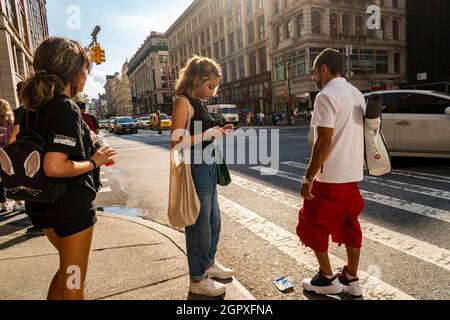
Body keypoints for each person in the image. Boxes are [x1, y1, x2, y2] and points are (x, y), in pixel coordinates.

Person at [19, 37, 117, 300]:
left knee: (65, 271)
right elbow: (55, 165)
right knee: (74, 282)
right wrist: (95, 161)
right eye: (86, 70)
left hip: (41, 203)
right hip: (69, 206)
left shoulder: (33, 107)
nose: (86, 76)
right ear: (74, 73)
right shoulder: (65, 107)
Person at [297, 48, 366, 297]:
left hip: (330, 179)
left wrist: (308, 178)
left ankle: (327, 278)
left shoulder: (326, 95)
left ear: (324, 69)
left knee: (312, 225)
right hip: (352, 176)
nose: (314, 75)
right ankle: (351, 278)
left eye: (315, 70)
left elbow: (323, 142)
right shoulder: (357, 94)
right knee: (350, 226)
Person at [171, 55, 234, 297]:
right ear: (196, 79)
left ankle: (208, 264)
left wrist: (217, 131)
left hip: (207, 165)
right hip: (196, 167)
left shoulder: (197, 100)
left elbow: (201, 132)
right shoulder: (182, 102)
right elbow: (176, 143)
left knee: (213, 222)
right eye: (210, 85)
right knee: (199, 227)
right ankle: (197, 279)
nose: (213, 91)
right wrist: (209, 133)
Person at [0, 99, 14, 212]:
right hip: (9, 154)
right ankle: (19, 201)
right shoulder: (10, 122)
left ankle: (3, 203)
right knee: (12, 178)